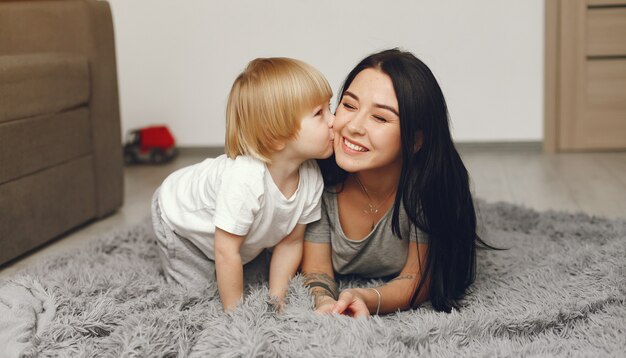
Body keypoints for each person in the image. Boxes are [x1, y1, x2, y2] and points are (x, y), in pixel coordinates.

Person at [302, 48, 492, 318]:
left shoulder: (426, 189)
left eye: (379, 117)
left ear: (415, 140)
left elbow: (417, 278)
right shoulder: (316, 178)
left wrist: (366, 298)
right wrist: (324, 301)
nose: (353, 126)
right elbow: (317, 270)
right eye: (349, 105)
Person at [152, 57, 334, 311]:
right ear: (275, 135)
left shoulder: (312, 176)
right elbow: (226, 251)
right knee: (198, 295)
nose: (334, 120)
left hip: (234, 235)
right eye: (319, 113)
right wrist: (235, 313)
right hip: (177, 216)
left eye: (330, 107)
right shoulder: (246, 179)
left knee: (252, 277)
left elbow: (290, 243)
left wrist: (277, 298)